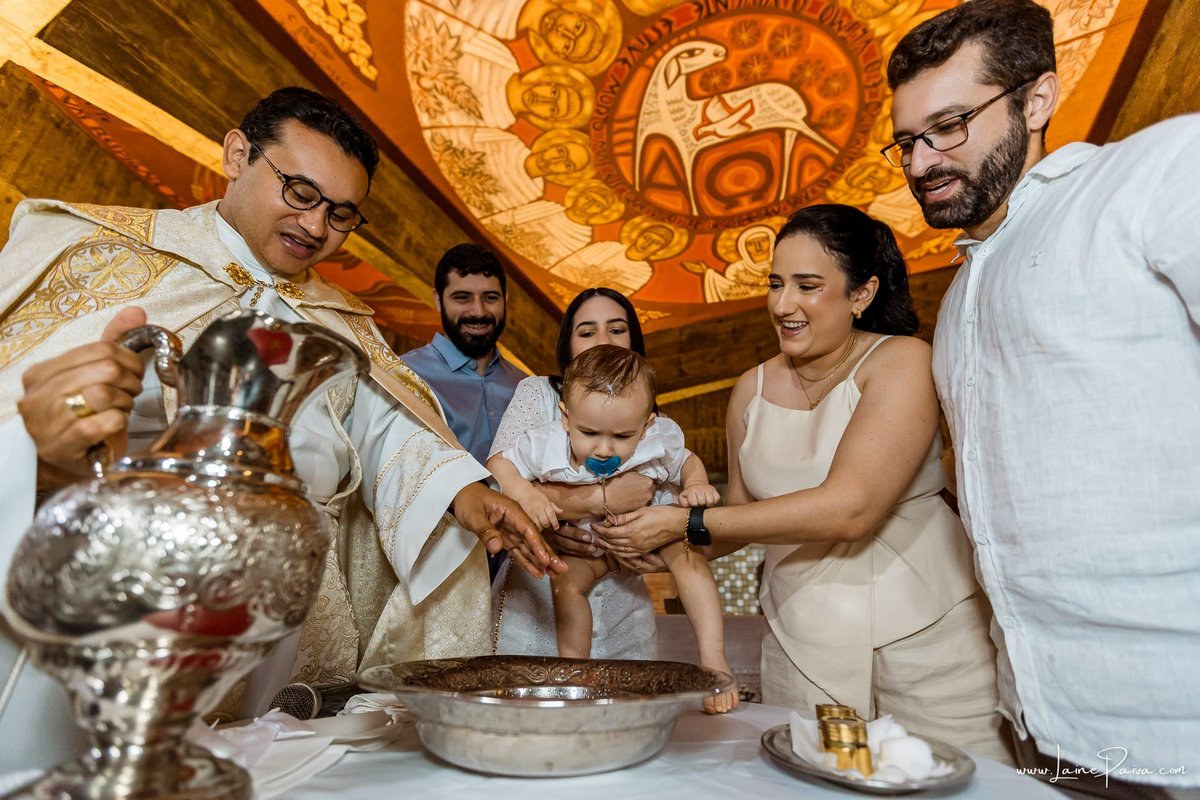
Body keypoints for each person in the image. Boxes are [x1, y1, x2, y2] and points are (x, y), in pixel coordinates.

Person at [0, 87, 561, 771]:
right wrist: (48, 455)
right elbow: (22, 404)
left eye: (341, 214)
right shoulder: (104, 255)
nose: (316, 225)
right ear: (238, 155)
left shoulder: (343, 319)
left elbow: (389, 430)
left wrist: (465, 495)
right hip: (136, 592)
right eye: (299, 191)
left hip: (291, 605)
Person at [883, 1, 1200, 794]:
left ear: (1037, 99)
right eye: (908, 141)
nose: (923, 163)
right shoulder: (956, 302)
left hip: (1177, 712)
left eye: (950, 125)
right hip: (1043, 725)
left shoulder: (1156, 172)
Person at [596, 205, 1010, 762]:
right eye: (775, 284)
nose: (782, 305)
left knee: (960, 781)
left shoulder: (903, 362)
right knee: (815, 780)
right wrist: (650, 545)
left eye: (807, 286)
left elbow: (851, 508)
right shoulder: (750, 389)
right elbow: (738, 518)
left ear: (861, 293)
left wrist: (685, 522)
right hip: (800, 636)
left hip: (926, 630)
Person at [491, 345, 736, 713]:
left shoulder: (656, 438)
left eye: (622, 437)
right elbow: (498, 465)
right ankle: (575, 673)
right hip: (588, 544)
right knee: (565, 583)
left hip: (649, 523)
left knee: (689, 559)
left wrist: (696, 482)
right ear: (566, 418)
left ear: (647, 424)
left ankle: (714, 660)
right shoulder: (545, 443)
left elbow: (687, 460)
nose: (604, 449)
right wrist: (526, 494)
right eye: (589, 433)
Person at [487, 287, 662, 659]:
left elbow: (661, 504)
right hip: (535, 612)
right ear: (568, 347)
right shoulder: (537, 395)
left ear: (635, 342)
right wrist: (600, 500)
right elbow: (496, 486)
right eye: (587, 331)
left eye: (617, 329)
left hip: (624, 613)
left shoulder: (654, 422)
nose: (603, 340)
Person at [400, 243, 525, 467]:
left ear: (505, 299)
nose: (478, 311)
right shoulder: (405, 376)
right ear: (438, 300)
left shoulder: (525, 386)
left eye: (490, 297)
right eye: (462, 297)